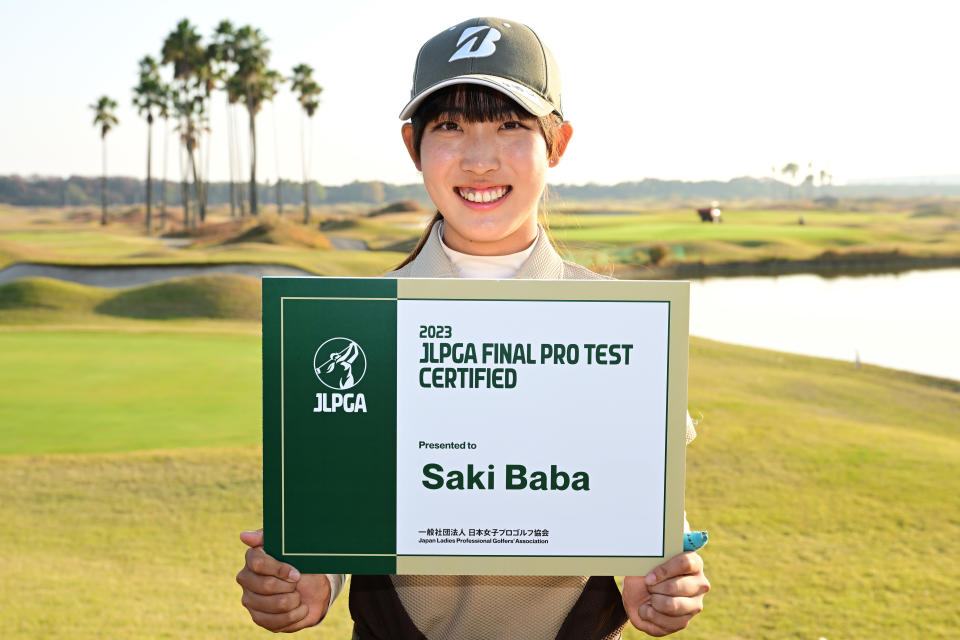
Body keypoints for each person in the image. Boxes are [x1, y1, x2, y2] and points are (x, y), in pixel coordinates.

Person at [236, 17, 710, 639]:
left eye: (512, 125)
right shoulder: (358, 323)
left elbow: (640, 537)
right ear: (414, 145)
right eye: (450, 126)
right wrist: (306, 580)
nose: (480, 159)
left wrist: (657, 587)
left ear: (558, 143)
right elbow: (337, 530)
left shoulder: (622, 328)